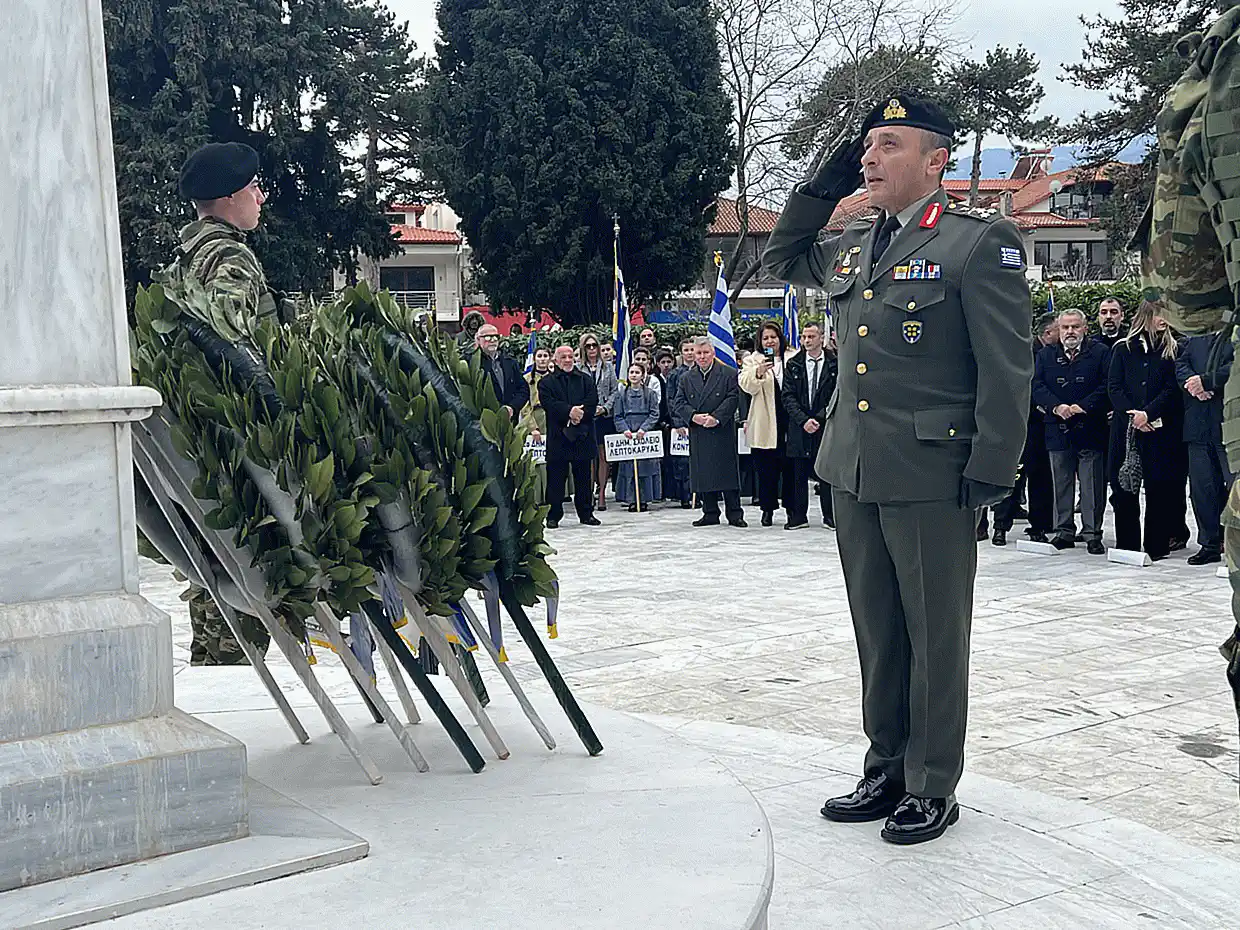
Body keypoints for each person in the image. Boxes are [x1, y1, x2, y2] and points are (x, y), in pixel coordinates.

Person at [762, 91, 1031, 844]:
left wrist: (992, 466)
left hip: (932, 470)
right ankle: (885, 765)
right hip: (853, 467)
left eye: (889, 145)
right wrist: (821, 185)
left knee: (934, 634)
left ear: (936, 160)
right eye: (866, 147)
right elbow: (782, 256)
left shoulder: (978, 243)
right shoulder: (852, 242)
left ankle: (931, 781)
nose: (870, 158)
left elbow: (1007, 369)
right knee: (878, 629)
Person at [176, 141, 276, 667]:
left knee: (210, 571)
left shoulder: (186, 256)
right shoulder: (230, 257)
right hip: (238, 437)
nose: (261, 197)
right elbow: (229, 344)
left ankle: (215, 665)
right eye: (255, 188)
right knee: (246, 577)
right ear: (231, 196)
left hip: (199, 439)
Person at [1108, 302, 1191, 560]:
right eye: (1159, 315)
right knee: (1124, 486)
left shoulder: (1173, 349)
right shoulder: (1123, 348)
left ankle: (1157, 545)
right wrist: (1133, 415)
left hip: (1160, 430)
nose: (1164, 319)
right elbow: (1114, 386)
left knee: (1160, 488)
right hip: (1126, 429)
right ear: (1147, 316)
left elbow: (1171, 389)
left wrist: (1149, 413)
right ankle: (1127, 545)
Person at [1031, 309, 1110, 554]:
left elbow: (1107, 385)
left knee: (1091, 485)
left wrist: (1083, 406)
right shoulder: (1046, 354)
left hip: (1090, 427)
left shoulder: (1100, 353)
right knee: (1061, 483)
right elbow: (1037, 385)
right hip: (1057, 427)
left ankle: (1092, 534)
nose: (1070, 332)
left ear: (1085, 328)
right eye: (1065, 327)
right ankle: (1063, 531)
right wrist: (1056, 407)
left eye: (1075, 327)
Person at [672, 338, 746, 527]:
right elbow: (678, 402)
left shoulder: (729, 373)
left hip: (722, 430)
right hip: (699, 431)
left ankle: (735, 514)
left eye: (705, 352)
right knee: (704, 472)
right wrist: (694, 416)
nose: (702, 357)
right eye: (698, 353)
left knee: (727, 473)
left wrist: (717, 417)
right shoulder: (686, 378)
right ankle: (710, 512)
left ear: (713, 353)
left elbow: (733, 398)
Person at [1178, 333, 1234, 564]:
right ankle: (1209, 543)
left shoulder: (1235, 334)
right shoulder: (1196, 337)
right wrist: (1193, 384)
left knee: (1235, 488)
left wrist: (1207, 381)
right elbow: (1181, 364)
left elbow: (1235, 367)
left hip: (1230, 425)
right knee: (1202, 488)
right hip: (1198, 424)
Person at [782, 321, 837, 529]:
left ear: (822, 338)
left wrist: (820, 418)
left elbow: (837, 393)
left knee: (827, 471)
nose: (807, 340)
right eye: (804, 337)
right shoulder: (793, 364)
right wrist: (803, 420)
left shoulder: (835, 363)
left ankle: (830, 515)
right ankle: (798, 516)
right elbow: (787, 396)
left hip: (825, 425)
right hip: (800, 425)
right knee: (798, 472)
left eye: (811, 336)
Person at [540, 345, 602, 528]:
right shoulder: (546, 382)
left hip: (582, 434)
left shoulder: (585, 379)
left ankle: (586, 514)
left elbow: (592, 401)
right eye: (563, 357)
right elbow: (549, 404)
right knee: (556, 479)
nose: (567, 360)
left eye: (570, 356)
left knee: (583, 478)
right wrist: (569, 411)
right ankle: (553, 515)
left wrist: (579, 415)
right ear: (555, 360)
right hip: (558, 437)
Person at [739, 321, 793, 526]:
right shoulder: (752, 360)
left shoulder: (793, 356)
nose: (770, 341)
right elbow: (746, 386)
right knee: (766, 469)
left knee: (790, 468)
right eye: (765, 338)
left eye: (773, 337)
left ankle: (792, 509)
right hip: (764, 421)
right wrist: (759, 372)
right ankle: (767, 509)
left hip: (789, 419)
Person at [613, 362, 662, 511]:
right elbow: (618, 416)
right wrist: (624, 430)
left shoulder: (650, 394)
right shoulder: (621, 394)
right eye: (631, 372)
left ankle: (645, 499)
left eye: (637, 372)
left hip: (644, 434)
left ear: (643, 375)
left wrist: (644, 429)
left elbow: (654, 414)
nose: (634, 375)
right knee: (629, 468)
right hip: (628, 434)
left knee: (646, 468)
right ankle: (631, 500)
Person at [579, 333, 619, 511]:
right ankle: (589, 492)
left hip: (604, 416)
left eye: (594, 345)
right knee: (589, 456)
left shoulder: (608, 367)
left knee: (603, 455)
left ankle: (602, 492)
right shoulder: (578, 367)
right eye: (588, 346)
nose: (592, 349)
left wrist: (605, 408)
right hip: (586, 416)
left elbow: (615, 391)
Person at [473, 323, 529, 422]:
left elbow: (523, 389)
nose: (493, 340)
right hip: (483, 420)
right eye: (488, 337)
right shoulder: (473, 363)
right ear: (478, 339)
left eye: (496, 337)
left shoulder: (510, 362)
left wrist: (512, 407)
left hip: (510, 419)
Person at [664, 341, 698, 508]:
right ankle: (685, 496)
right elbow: (671, 400)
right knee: (683, 464)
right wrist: (677, 423)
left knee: (698, 461)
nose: (690, 353)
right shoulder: (674, 374)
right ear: (681, 353)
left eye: (692, 349)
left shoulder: (702, 372)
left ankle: (699, 495)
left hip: (699, 422)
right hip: (681, 424)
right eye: (686, 350)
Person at [519, 346, 554, 505]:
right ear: (534, 359)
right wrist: (533, 427)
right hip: (534, 417)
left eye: (545, 356)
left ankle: (552, 493)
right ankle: (537, 494)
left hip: (551, 417)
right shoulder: (526, 379)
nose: (542, 359)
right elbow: (525, 405)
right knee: (537, 459)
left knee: (551, 457)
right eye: (539, 356)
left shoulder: (554, 378)